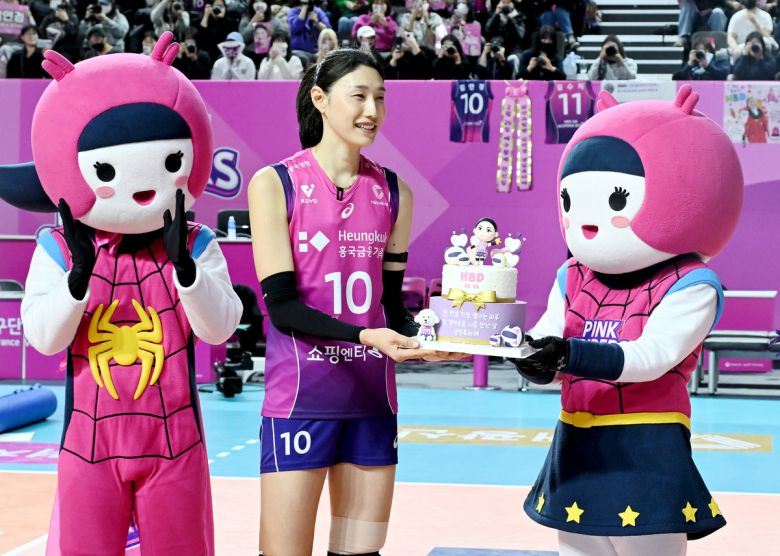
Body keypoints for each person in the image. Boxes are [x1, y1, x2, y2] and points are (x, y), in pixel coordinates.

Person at [0, 32, 242, 555]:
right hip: (88, 442)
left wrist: (186, 271)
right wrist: (77, 279)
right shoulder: (59, 247)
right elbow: (44, 337)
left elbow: (219, 327)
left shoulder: (196, 242)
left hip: (176, 440)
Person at [511, 84, 742, 556]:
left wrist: (567, 354)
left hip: (647, 446)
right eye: (571, 202)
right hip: (577, 440)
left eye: (617, 200)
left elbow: (651, 356)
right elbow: (552, 338)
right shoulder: (572, 275)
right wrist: (529, 355)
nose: (586, 222)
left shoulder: (691, 283)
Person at [247, 48, 461, 556]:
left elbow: (391, 305)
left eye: (380, 99)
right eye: (359, 96)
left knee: (361, 554)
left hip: (371, 401)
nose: (372, 111)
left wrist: (428, 342)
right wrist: (367, 335)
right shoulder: (274, 183)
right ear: (320, 100)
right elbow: (282, 307)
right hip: (300, 400)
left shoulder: (395, 192)